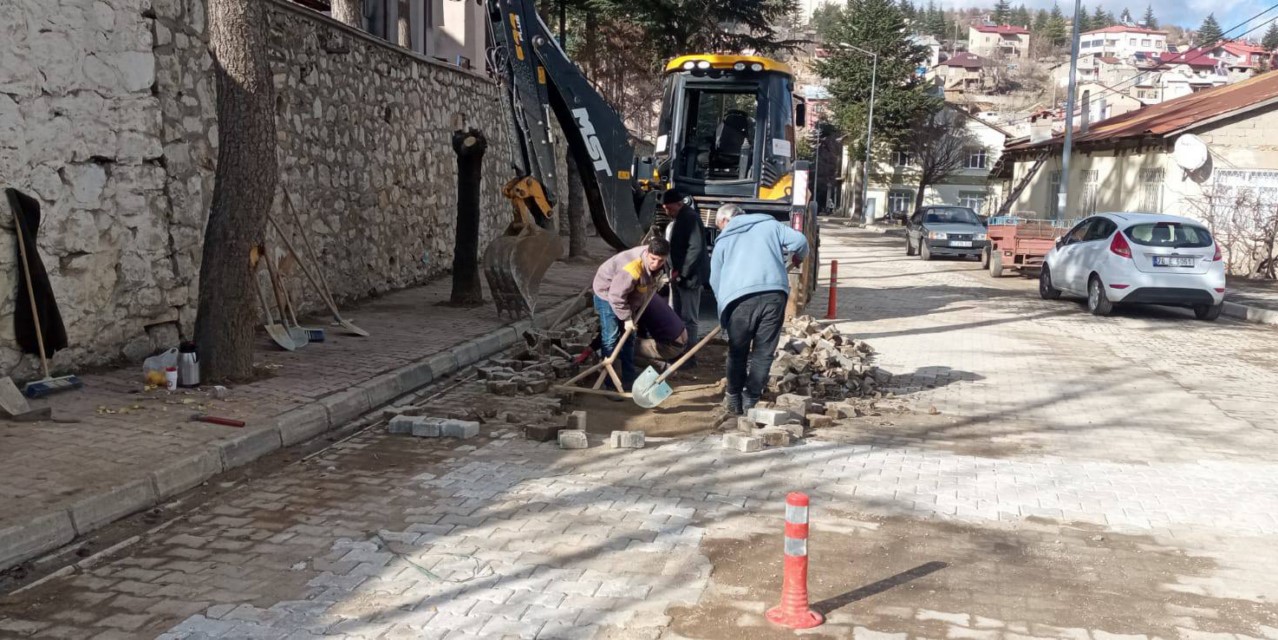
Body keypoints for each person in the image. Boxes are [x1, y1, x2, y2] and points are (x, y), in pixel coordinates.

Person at [708, 204, 809, 415]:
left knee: (738, 351)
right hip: (774, 295)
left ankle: (733, 398)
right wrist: (799, 256)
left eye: (719, 226)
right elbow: (800, 241)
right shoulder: (770, 226)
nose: (721, 230)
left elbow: (715, 280)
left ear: (725, 221)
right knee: (763, 352)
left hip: (738, 300)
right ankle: (751, 399)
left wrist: (723, 309)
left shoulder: (724, 240)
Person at [592, 236, 671, 391]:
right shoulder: (631, 269)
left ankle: (629, 377)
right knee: (611, 339)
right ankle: (610, 383)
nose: (656, 264)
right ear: (647, 253)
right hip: (608, 294)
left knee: (629, 337)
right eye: (653, 259)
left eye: (661, 261)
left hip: (627, 296)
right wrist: (627, 318)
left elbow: (638, 289)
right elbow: (616, 297)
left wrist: (657, 281)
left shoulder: (658, 262)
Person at [662, 189, 709, 366]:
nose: (667, 212)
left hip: (690, 278)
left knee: (689, 318)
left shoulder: (690, 219)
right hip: (678, 276)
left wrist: (682, 273)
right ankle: (678, 350)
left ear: (679, 204)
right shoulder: (679, 220)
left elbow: (695, 250)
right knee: (676, 315)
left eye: (669, 208)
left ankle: (689, 355)